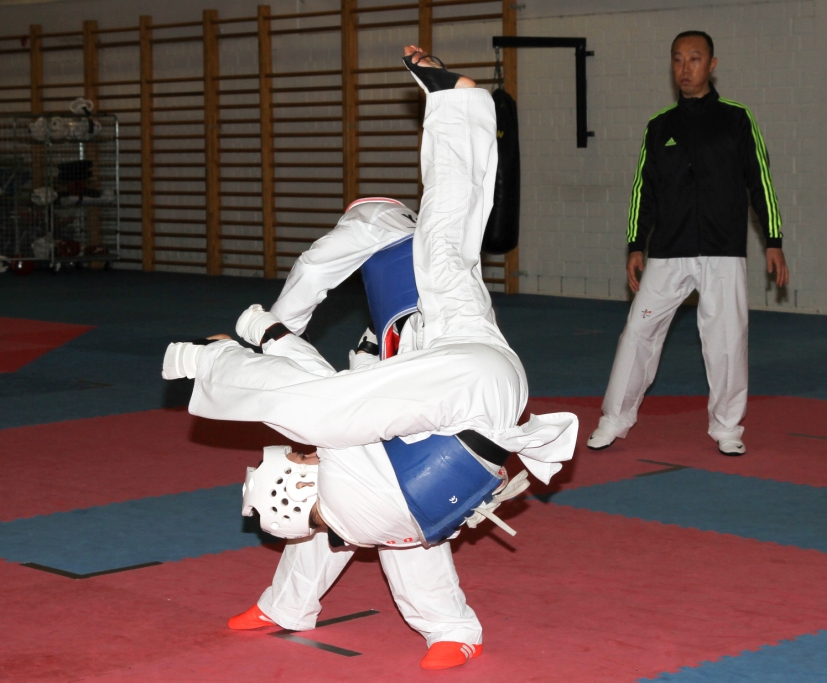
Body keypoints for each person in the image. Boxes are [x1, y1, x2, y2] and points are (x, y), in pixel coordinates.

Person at [162, 46, 577, 670]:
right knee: (346, 469)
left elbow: (315, 274)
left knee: (346, 470)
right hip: (459, 363)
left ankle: (339, 612)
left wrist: (270, 331)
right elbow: (325, 376)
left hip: (461, 368)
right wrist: (264, 338)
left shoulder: (375, 226)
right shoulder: (405, 235)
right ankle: (458, 106)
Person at [587, 30, 789, 456]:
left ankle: (727, 427)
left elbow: (761, 182)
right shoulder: (659, 126)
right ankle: (614, 419)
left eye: (694, 59)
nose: (685, 68)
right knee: (638, 332)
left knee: (726, 341)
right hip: (668, 252)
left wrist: (773, 239)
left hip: (723, 250)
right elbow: (643, 190)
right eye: (677, 59)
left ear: (711, 65)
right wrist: (635, 244)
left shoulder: (737, 119)